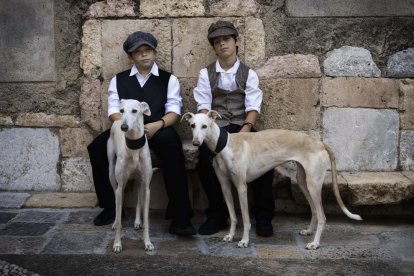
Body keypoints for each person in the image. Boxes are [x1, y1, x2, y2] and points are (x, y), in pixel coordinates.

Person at [87, 31, 195, 236]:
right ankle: (111, 207)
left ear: (154, 52)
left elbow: (174, 111)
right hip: (126, 131)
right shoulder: (118, 80)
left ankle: (180, 216)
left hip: (157, 129)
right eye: (139, 52)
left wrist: (158, 125)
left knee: (173, 148)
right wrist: (126, 129)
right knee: (97, 147)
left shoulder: (168, 79)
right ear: (131, 57)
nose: (144, 55)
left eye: (148, 50)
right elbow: (113, 112)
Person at [193, 21, 275, 237]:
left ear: (236, 42)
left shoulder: (249, 73)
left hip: (241, 126)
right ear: (214, 47)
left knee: (264, 157)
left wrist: (245, 132)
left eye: (226, 40)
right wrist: (209, 132)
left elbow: (253, 107)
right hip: (216, 128)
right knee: (204, 157)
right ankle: (216, 214)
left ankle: (264, 216)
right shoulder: (206, 74)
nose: (222, 45)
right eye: (217, 42)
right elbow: (203, 107)